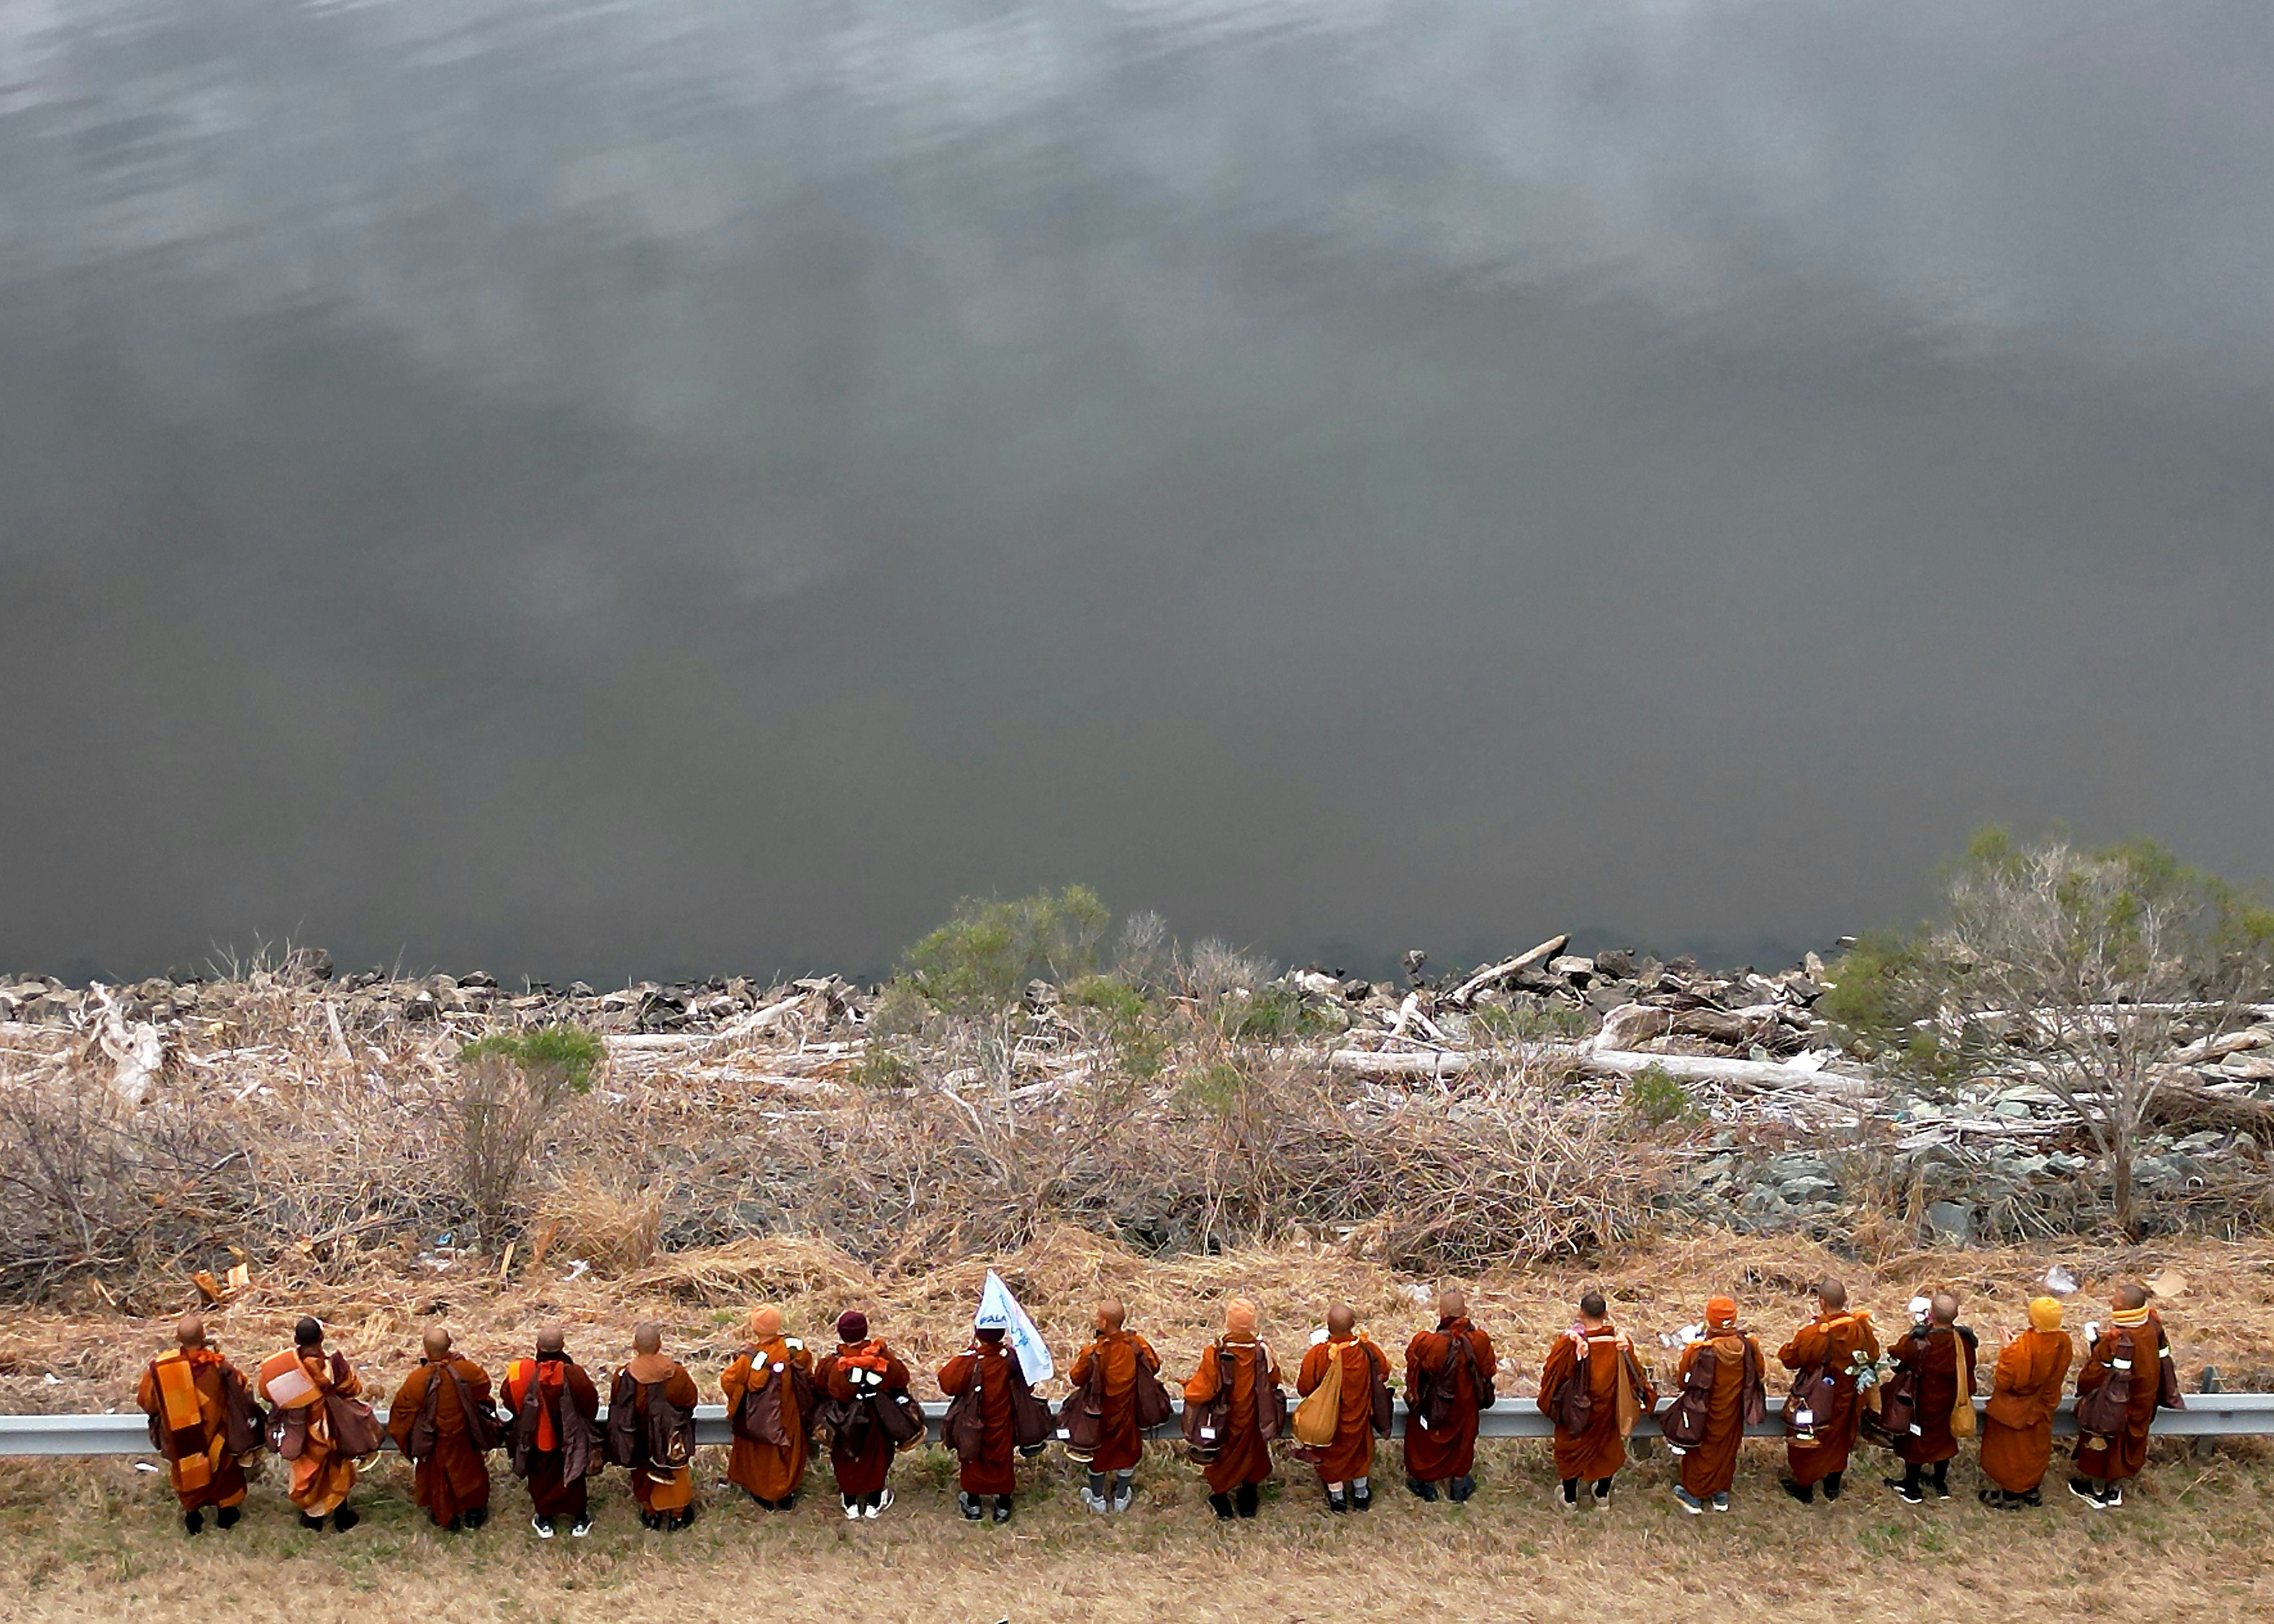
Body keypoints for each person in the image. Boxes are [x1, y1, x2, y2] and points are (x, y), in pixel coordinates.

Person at [134, 1312, 262, 1535]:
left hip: (181, 1436)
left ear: (178, 1338)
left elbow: (147, 1401)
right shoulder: (217, 1366)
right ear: (204, 1336)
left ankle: (193, 1515)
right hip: (216, 1434)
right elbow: (242, 1387)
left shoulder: (162, 1368)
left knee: (187, 1472)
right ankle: (226, 1515)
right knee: (222, 1473)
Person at [1537, 1290, 1653, 1510]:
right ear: (1606, 1313)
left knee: (1569, 1452)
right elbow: (1634, 1376)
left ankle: (1570, 1500)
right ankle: (1602, 1496)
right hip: (1607, 1412)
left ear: (1581, 1313)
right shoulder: (1620, 1345)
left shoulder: (1569, 1345)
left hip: (1576, 1413)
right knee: (1607, 1450)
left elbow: (1552, 1377)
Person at [2070, 1282, 2175, 1510]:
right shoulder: (2153, 1326)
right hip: (2145, 1401)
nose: (2111, 1301)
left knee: (2104, 1444)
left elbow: (2100, 1370)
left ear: (2126, 1308)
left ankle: (2097, 1493)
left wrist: (2096, 1343)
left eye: (2116, 1299)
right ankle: (2115, 1491)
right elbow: (2161, 1356)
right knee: (2129, 1446)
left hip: (2115, 1404)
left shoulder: (2119, 1339)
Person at [1775, 1279, 1878, 1504]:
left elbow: (1790, 1358)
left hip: (1816, 1398)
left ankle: (1804, 1486)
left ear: (1821, 1302)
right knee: (1840, 1438)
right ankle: (1832, 1486)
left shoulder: (1815, 1333)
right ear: (1846, 1300)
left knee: (1807, 1435)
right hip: (1849, 1396)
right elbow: (1874, 1355)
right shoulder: (1861, 1327)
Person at [257, 1317, 365, 1532]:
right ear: (322, 1338)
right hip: (333, 1430)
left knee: (307, 1471)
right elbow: (355, 1389)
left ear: (296, 1340)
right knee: (337, 1469)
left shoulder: (287, 1370)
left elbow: (267, 1393)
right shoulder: (335, 1367)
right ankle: (342, 1516)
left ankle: (312, 1517)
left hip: (303, 1433)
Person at [387, 1325, 497, 1532]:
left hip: (434, 1441)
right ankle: (474, 1514)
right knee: (470, 1472)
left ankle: (444, 1513)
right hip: (463, 1437)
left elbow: (401, 1411)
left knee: (437, 1476)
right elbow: (484, 1386)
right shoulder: (467, 1370)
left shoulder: (417, 1380)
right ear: (450, 1345)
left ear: (426, 1349)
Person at [1182, 1297, 1281, 1520]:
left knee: (1224, 1457)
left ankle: (1221, 1496)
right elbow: (1275, 1379)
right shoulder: (1262, 1351)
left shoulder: (1216, 1352)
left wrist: (1187, 1387)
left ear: (1228, 1323)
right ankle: (1249, 1497)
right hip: (1254, 1417)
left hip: (1224, 1420)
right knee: (1253, 1454)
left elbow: (1203, 1391)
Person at [503, 1324, 602, 1537]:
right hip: (572, 1439)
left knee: (541, 1477)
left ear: (537, 1346)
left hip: (537, 1439)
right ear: (563, 1346)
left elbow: (509, 1400)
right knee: (574, 1475)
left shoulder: (520, 1371)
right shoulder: (574, 1374)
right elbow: (590, 1404)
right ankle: (579, 1519)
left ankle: (545, 1519)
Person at [1668, 1297, 1765, 1515]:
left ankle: (1693, 1496)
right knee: (1727, 1450)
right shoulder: (1749, 1345)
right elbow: (1760, 1373)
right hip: (1734, 1412)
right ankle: (1720, 1494)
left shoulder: (1699, 1350)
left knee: (1701, 1452)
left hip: (1704, 1414)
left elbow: (1682, 1381)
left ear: (1709, 1318)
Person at [1067, 1299, 1163, 1514]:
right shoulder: (1137, 1344)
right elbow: (1154, 1367)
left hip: (1098, 1416)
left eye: (1098, 1316)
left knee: (1098, 1453)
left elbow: (1076, 1378)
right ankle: (1121, 1497)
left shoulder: (1093, 1352)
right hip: (1129, 1412)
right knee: (1127, 1451)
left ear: (1103, 1322)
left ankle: (1098, 1498)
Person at [816, 1310, 913, 1520]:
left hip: (843, 1420)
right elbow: (901, 1378)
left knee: (846, 1457)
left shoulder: (833, 1363)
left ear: (841, 1334)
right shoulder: (882, 1357)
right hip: (877, 1418)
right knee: (877, 1456)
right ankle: (874, 1502)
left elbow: (820, 1385)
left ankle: (850, 1502)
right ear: (866, 1330)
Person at [1295, 1304, 1392, 1514]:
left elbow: (1303, 1387)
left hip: (1329, 1422)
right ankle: (1361, 1494)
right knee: (1360, 1452)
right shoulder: (1367, 1350)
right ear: (1353, 1325)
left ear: (1328, 1327)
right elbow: (1385, 1370)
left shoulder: (1319, 1354)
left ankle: (1336, 1496)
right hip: (1359, 1419)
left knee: (1331, 1455)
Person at [1405, 1288, 1498, 1504]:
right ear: (1465, 1311)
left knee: (1424, 1435)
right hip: (1465, 1406)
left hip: (1435, 1407)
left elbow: (1413, 1368)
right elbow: (1489, 1370)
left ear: (1441, 1313)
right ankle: (1459, 1483)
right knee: (1464, 1438)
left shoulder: (1427, 1342)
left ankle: (1426, 1483)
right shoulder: (1480, 1340)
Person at [1979, 1297, 2072, 1510]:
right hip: (2043, 1407)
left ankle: (2011, 1497)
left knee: (2012, 1455)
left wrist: (2007, 1350)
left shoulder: (2026, 1347)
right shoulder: (2063, 1341)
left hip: (2017, 1411)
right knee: (2035, 1451)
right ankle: (2031, 1491)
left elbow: (2007, 1382)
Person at [1885, 1291, 1977, 1503]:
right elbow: (1970, 1367)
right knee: (1944, 1438)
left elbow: (1899, 1353)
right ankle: (1939, 1482)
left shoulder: (1922, 1341)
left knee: (1915, 1441)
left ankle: (1911, 1488)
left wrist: (1913, 1333)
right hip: (1950, 1401)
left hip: (1922, 1401)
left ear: (1931, 1314)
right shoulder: (1964, 1341)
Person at [721, 1306, 814, 1510]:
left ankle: (765, 1493)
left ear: (756, 1329)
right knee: (789, 1450)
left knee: (761, 1456)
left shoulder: (750, 1358)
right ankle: (786, 1493)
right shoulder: (792, 1347)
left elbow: (729, 1381)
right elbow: (807, 1365)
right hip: (789, 1414)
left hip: (761, 1420)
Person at [610, 1322, 700, 1530]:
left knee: (642, 1475)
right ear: (660, 1344)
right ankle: (678, 1516)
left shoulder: (622, 1375)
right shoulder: (676, 1373)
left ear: (634, 1345)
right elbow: (690, 1400)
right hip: (669, 1437)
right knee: (676, 1474)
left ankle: (651, 1514)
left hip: (637, 1438)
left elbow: (617, 1403)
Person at [938, 1309, 1024, 1524]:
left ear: (977, 1333)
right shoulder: (1011, 1360)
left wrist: (967, 1355)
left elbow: (946, 1383)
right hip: (1003, 1422)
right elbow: (1027, 1385)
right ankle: (1003, 1505)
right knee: (1002, 1460)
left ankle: (974, 1503)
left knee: (973, 1458)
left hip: (973, 1421)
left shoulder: (971, 1361)